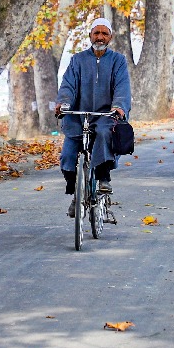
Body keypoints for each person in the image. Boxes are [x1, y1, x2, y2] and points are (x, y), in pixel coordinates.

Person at [55, 17, 131, 217]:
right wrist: (63, 103)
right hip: (78, 117)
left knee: (105, 133)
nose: (100, 37)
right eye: (96, 33)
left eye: (104, 33)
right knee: (67, 156)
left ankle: (103, 178)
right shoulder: (77, 60)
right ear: (90, 35)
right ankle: (76, 196)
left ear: (110, 37)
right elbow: (68, 86)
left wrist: (119, 107)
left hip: (105, 115)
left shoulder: (118, 61)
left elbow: (122, 87)